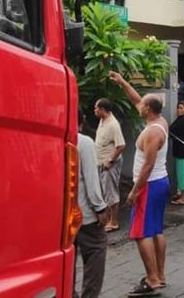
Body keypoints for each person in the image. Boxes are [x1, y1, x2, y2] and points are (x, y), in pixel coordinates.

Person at [108, 71, 169, 297]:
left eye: (142, 104)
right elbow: (136, 99)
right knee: (156, 230)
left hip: (150, 185)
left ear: (147, 110)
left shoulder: (153, 132)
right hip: (158, 183)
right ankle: (160, 276)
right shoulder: (159, 120)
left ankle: (152, 278)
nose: (138, 104)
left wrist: (135, 191)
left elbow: (148, 166)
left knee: (141, 233)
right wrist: (123, 82)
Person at [75, 112, 109, 298]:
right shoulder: (84, 142)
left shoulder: (51, 140)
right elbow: (91, 179)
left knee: (67, 260)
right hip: (84, 214)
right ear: (81, 121)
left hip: (60, 218)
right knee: (96, 251)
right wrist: (100, 208)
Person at [94, 98, 125, 232]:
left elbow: (121, 145)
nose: (94, 110)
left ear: (102, 109)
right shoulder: (102, 121)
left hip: (110, 163)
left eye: (96, 108)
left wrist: (110, 160)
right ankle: (107, 219)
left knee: (111, 192)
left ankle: (114, 222)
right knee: (105, 192)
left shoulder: (113, 124)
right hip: (100, 162)